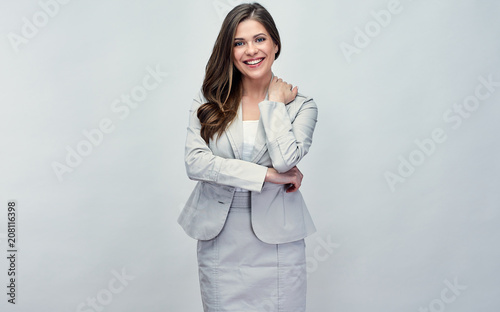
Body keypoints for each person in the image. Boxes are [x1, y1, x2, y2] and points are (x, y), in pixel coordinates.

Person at [178, 3, 318, 311]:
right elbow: (196, 163)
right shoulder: (208, 101)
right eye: (239, 43)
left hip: (279, 243)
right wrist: (265, 175)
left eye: (259, 39)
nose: (250, 50)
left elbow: (284, 160)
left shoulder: (300, 106)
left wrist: (275, 105)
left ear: (275, 43)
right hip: (220, 239)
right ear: (228, 51)